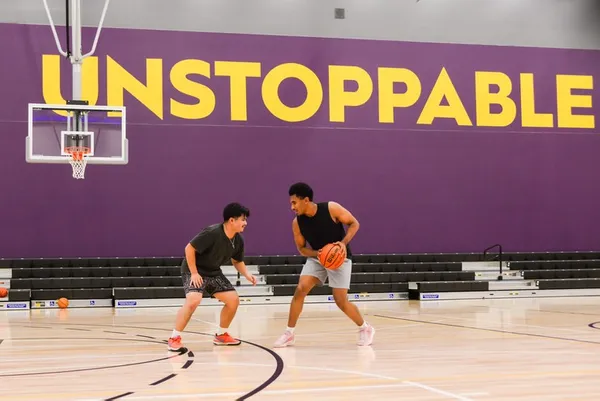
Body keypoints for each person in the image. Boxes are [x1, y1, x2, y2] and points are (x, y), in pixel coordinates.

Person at [273, 182, 375, 348]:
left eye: (294, 202)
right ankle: (289, 333)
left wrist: (342, 243)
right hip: (318, 257)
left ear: (306, 200)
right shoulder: (297, 223)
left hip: (340, 257)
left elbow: (354, 223)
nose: (292, 207)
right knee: (300, 289)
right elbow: (302, 249)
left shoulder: (331, 208)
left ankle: (365, 328)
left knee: (340, 301)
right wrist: (318, 254)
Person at [168, 202, 257, 352]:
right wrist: (195, 273)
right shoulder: (212, 232)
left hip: (213, 272)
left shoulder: (238, 239)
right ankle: (174, 338)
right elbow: (189, 248)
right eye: (243, 219)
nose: (245, 223)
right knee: (194, 300)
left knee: (233, 300)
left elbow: (237, 260)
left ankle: (221, 335)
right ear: (231, 220)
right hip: (194, 270)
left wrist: (247, 274)